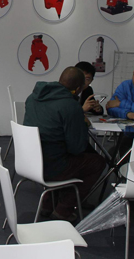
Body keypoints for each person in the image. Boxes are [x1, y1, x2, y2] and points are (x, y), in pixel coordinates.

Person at [23, 67, 106, 221]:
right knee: (97, 162)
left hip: (30, 162)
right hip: (52, 167)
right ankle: (64, 209)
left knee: (58, 151)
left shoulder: (33, 98)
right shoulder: (70, 106)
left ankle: (48, 203)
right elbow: (77, 148)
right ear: (78, 89)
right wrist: (82, 125)